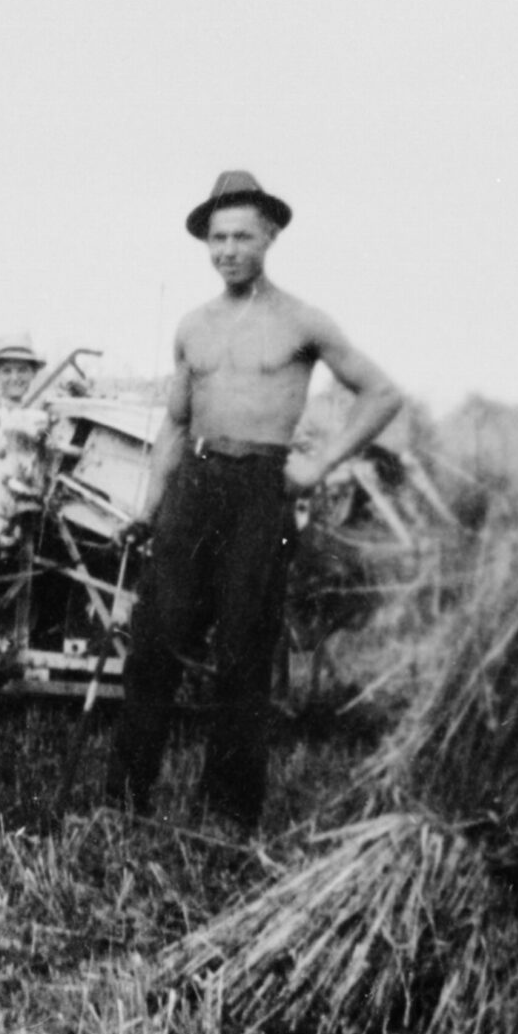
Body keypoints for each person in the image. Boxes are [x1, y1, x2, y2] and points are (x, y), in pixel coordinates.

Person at [110, 170, 403, 829]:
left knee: (244, 655)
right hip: (196, 486)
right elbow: (176, 427)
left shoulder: (302, 321)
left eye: (243, 235)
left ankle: (229, 814)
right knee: (153, 645)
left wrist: (319, 464)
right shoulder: (193, 327)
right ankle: (123, 804)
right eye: (218, 238)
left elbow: (382, 393)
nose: (230, 250)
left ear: (270, 234)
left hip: (260, 492)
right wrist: (147, 508)